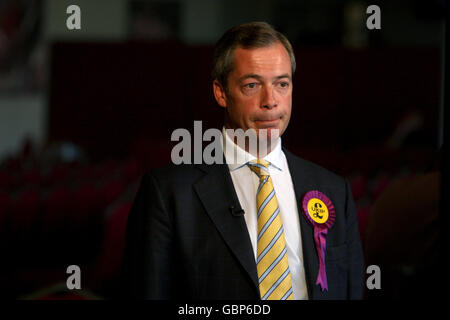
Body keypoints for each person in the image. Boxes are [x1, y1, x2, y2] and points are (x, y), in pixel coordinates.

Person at [120, 22, 364, 300]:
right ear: (220, 92)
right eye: (252, 85)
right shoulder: (168, 193)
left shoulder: (334, 191)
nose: (270, 100)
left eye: (281, 84)